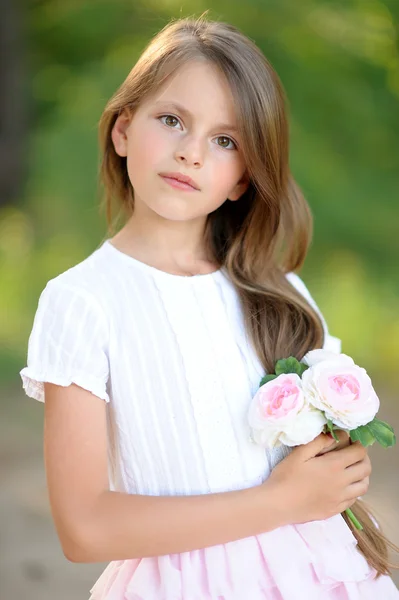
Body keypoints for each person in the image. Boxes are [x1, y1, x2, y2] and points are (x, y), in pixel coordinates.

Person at [20, 14, 398, 600]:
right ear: (122, 130)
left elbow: (318, 468)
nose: (191, 153)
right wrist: (280, 501)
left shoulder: (281, 292)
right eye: (171, 120)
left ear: (244, 178)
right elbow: (84, 528)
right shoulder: (82, 302)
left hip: (313, 575)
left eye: (225, 141)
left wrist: (335, 477)